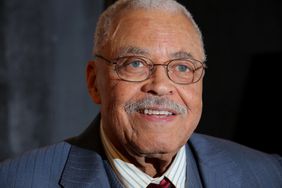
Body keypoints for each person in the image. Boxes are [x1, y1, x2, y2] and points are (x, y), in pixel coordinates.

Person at [0, 0, 281, 187]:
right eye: (135, 63)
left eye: (182, 67)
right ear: (94, 82)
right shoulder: (17, 181)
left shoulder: (268, 175)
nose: (160, 85)